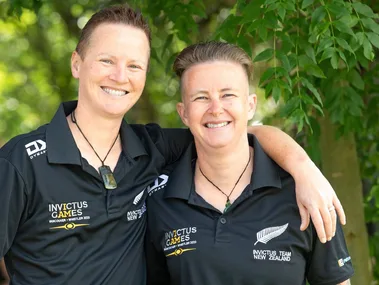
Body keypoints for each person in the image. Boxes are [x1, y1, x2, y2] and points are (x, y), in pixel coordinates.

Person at [0, 5, 344, 285]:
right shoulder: (20, 162)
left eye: (134, 65)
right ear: (77, 63)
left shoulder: (152, 150)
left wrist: (304, 168)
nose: (120, 75)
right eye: (107, 60)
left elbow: (232, 131)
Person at [146, 42, 353, 285]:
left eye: (228, 95)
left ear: (251, 105)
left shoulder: (305, 191)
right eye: (201, 97)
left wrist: (302, 167)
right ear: (183, 113)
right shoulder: (159, 199)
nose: (216, 109)